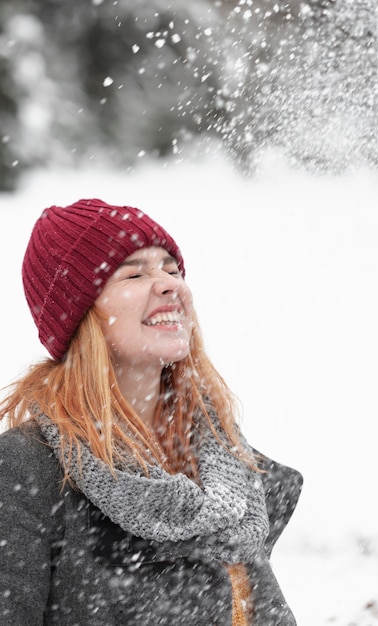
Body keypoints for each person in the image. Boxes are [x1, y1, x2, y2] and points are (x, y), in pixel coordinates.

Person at [0, 198, 303, 626]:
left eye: (172, 270)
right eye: (136, 273)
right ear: (81, 314)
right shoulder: (24, 470)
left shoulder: (224, 466)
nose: (169, 285)